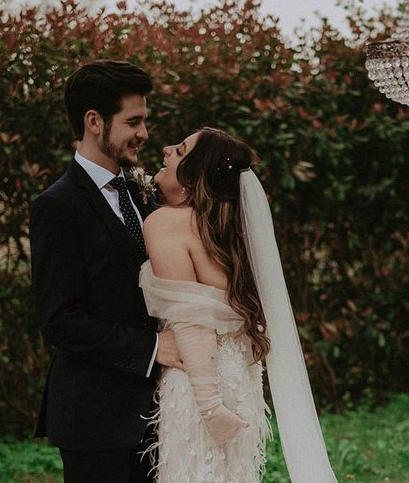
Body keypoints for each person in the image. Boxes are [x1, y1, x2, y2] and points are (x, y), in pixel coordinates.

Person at [140, 127, 336, 482]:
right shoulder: (229, 232)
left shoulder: (165, 223)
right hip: (240, 377)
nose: (166, 150)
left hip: (199, 385)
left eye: (179, 151)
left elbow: (190, 321)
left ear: (192, 178)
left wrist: (210, 406)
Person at [30, 60, 183, 483]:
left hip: (157, 414)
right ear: (94, 121)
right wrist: (152, 348)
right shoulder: (58, 206)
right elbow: (60, 320)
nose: (145, 134)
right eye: (133, 121)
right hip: (94, 419)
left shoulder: (142, 191)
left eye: (145, 121)